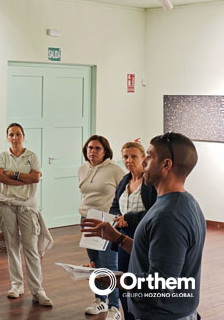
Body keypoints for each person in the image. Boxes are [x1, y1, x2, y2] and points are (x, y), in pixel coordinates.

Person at [82, 132, 204, 320]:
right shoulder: (182, 202)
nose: (144, 162)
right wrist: (118, 238)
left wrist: (110, 278)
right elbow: (155, 256)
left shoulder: (169, 216)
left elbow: (160, 283)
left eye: (149, 156)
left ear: (166, 165)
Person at [0, 123, 53, 306]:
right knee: (12, 246)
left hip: (27, 206)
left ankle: (37, 289)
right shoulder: (3, 155)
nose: (15, 137)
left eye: (18, 134)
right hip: (7, 205)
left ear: (23, 136)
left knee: (30, 248)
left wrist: (13, 175)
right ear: (7, 137)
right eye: (11, 134)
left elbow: (35, 178)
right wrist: (21, 178)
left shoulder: (31, 156)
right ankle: (17, 285)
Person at [108, 141, 157, 320]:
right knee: (124, 283)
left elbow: (154, 211)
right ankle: (127, 316)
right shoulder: (125, 180)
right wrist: (117, 217)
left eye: (133, 156)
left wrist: (128, 219)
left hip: (142, 240)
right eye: (125, 157)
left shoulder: (149, 183)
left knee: (140, 285)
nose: (129, 160)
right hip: (122, 239)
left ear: (143, 158)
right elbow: (114, 206)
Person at [78, 135, 126, 319]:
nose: (93, 151)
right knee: (95, 263)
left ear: (105, 151)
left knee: (109, 264)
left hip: (107, 220)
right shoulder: (83, 169)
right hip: (87, 218)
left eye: (98, 148)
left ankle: (115, 308)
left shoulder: (115, 170)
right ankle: (100, 300)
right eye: (90, 147)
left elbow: (124, 194)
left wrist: (119, 217)